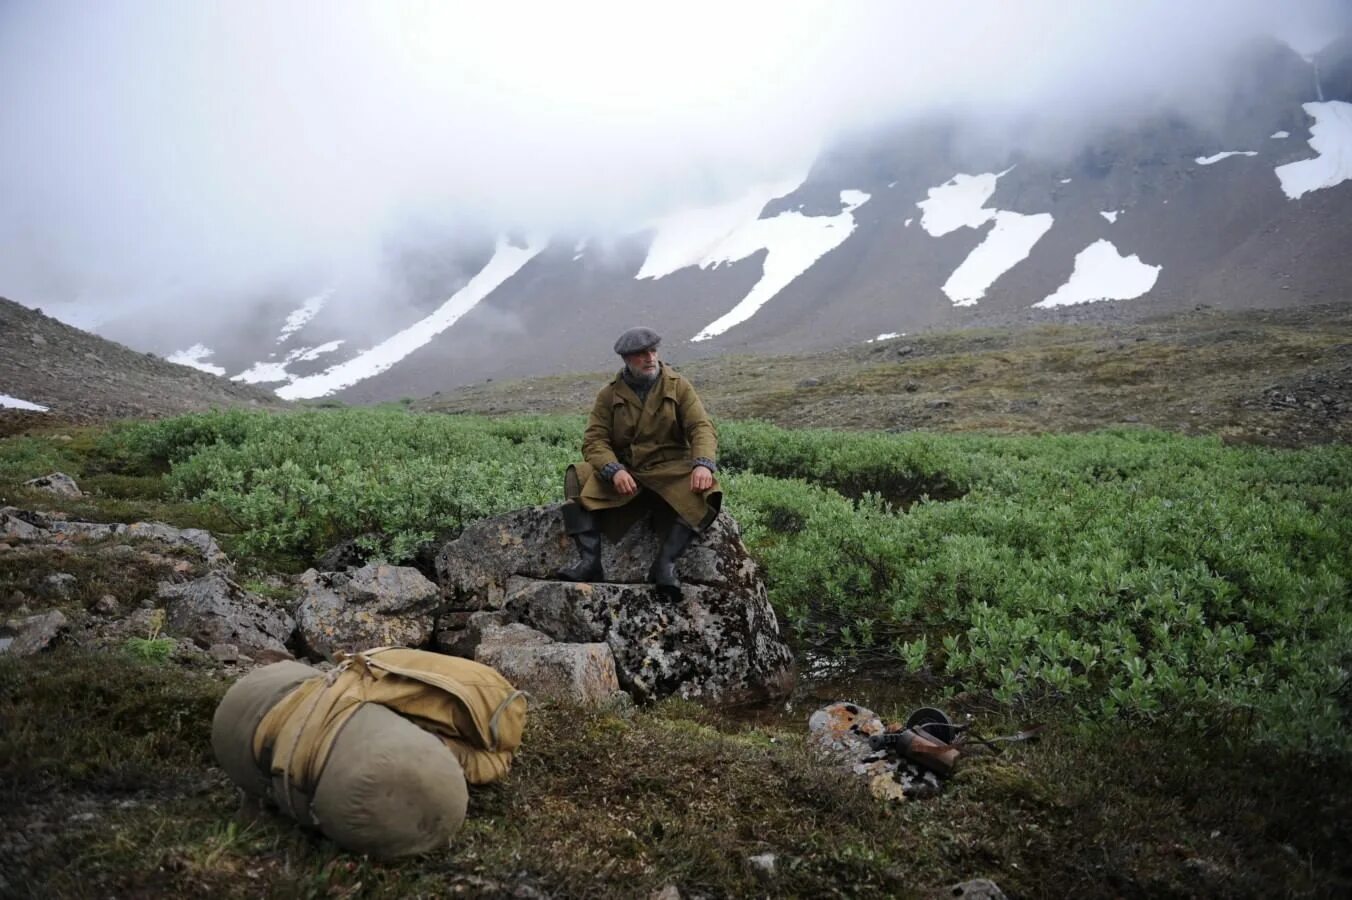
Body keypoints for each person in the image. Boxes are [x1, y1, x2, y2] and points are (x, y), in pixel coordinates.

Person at [556, 326, 721, 599]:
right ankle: (590, 562)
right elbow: (594, 440)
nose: (650, 358)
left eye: (653, 351)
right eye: (641, 354)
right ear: (626, 360)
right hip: (628, 471)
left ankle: (665, 565)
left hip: (669, 469)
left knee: (707, 491)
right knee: (578, 476)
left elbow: (701, 427)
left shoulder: (678, 385)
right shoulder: (609, 395)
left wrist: (703, 462)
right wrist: (613, 469)